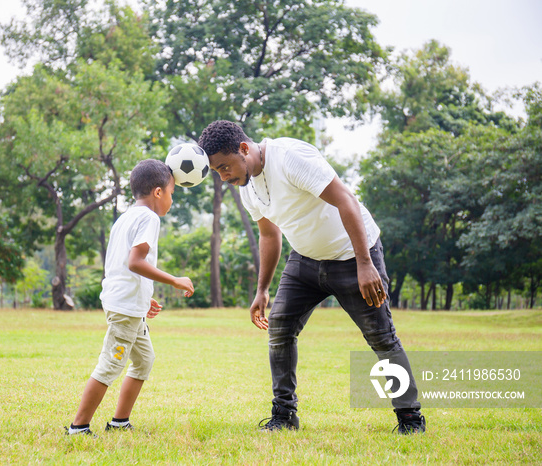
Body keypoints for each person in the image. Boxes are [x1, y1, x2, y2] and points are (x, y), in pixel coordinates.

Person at [198, 120, 425, 435]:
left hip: (353, 256)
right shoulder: (247, 186)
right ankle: (284, 416)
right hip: (305, 261)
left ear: (244, 149)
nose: (224, 177)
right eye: (217, 172)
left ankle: (410, 419)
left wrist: (364, 263)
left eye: (225, 167)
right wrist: (262, 289)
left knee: (381, 336)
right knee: (280, 328)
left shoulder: (290, 156)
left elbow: (346, 200)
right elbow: (269, 235)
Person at [66, 159, 195, 436]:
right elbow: (134, 262)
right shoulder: (149, 217)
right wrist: (174, 279)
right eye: (172, 192)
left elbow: (119, 265)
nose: (171, 199)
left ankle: (119, 422)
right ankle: (78, 426)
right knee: (111, 364)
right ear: (158, 192)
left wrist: (144, 296)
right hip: (124, 309)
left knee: (144, 360)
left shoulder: (125, 217)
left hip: (128, 303)